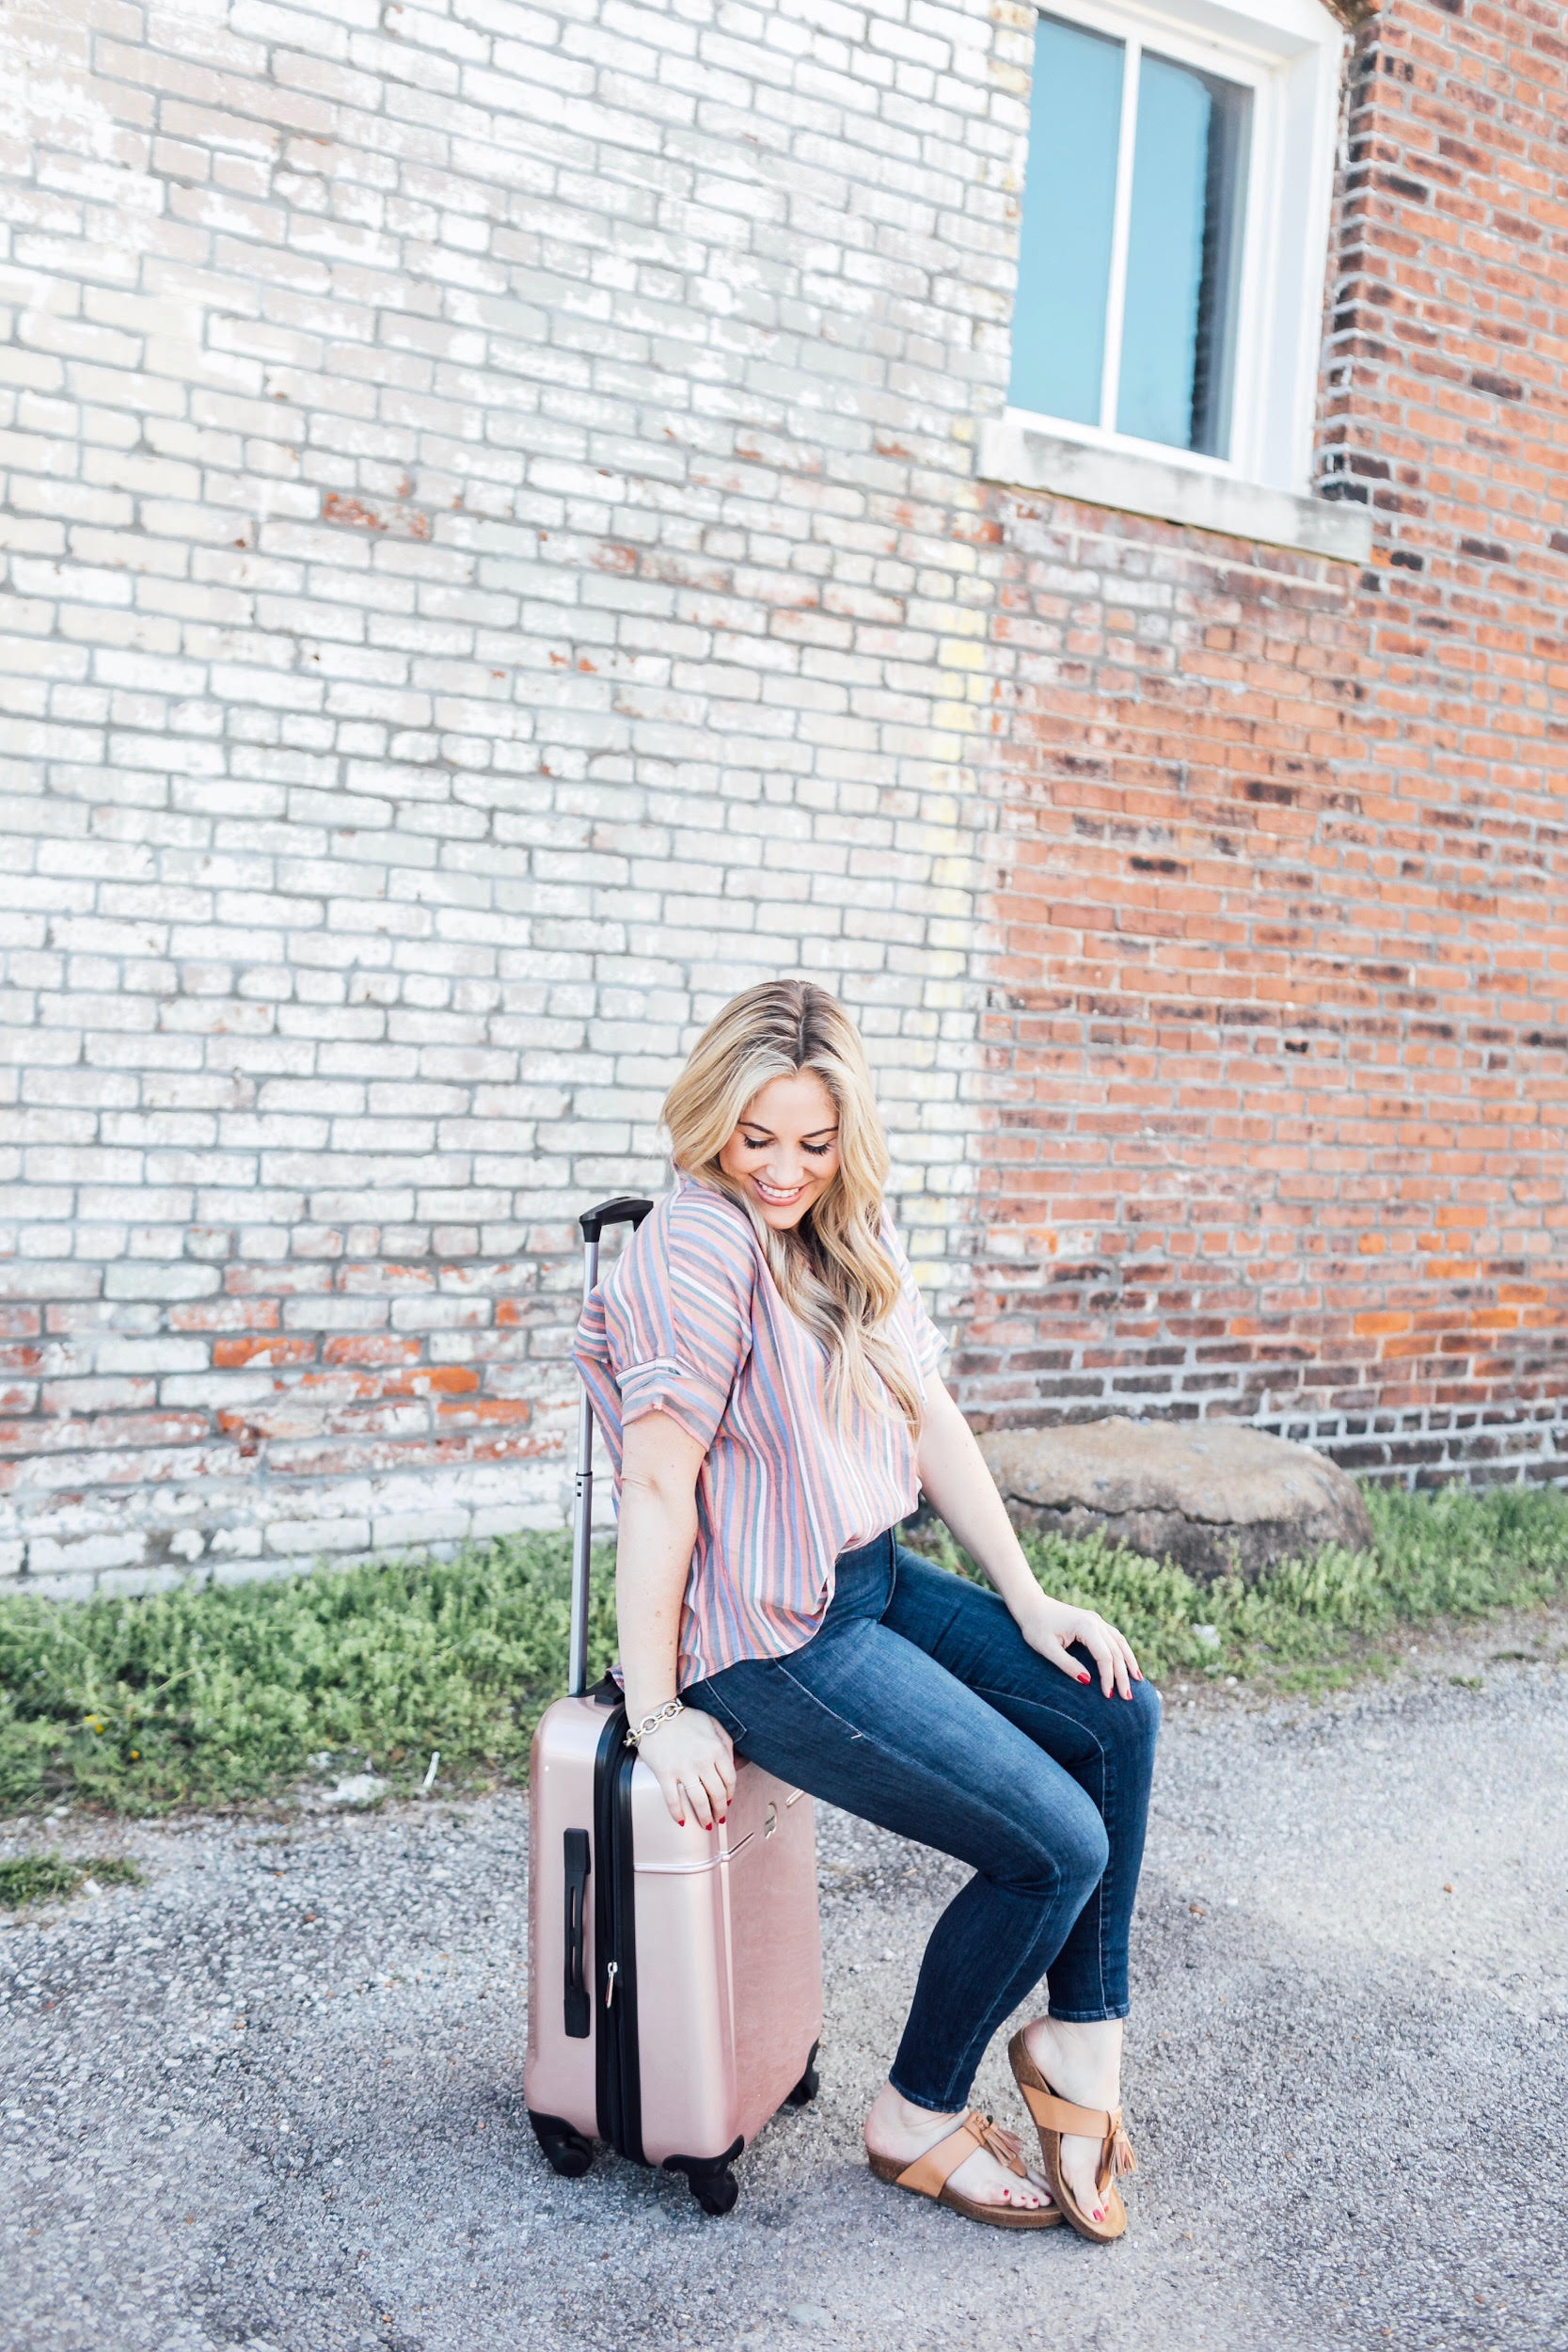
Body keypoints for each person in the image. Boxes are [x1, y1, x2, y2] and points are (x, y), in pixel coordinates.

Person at [574, 980, 1159, 2239]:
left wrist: (1029, 1593)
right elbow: (661, 1486)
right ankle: (916, 2114)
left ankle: (1081, 2044)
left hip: (868, 1579)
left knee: (1114, 1709)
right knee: (1057, 1845)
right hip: (769, 1636)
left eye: (813, 1141)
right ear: (712, 1121)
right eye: (755, 1138)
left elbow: (926, 1410)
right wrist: (661, 1702)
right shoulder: (699, 1245)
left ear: (848, 1136)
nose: (782, 1169)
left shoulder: (841, 1225)